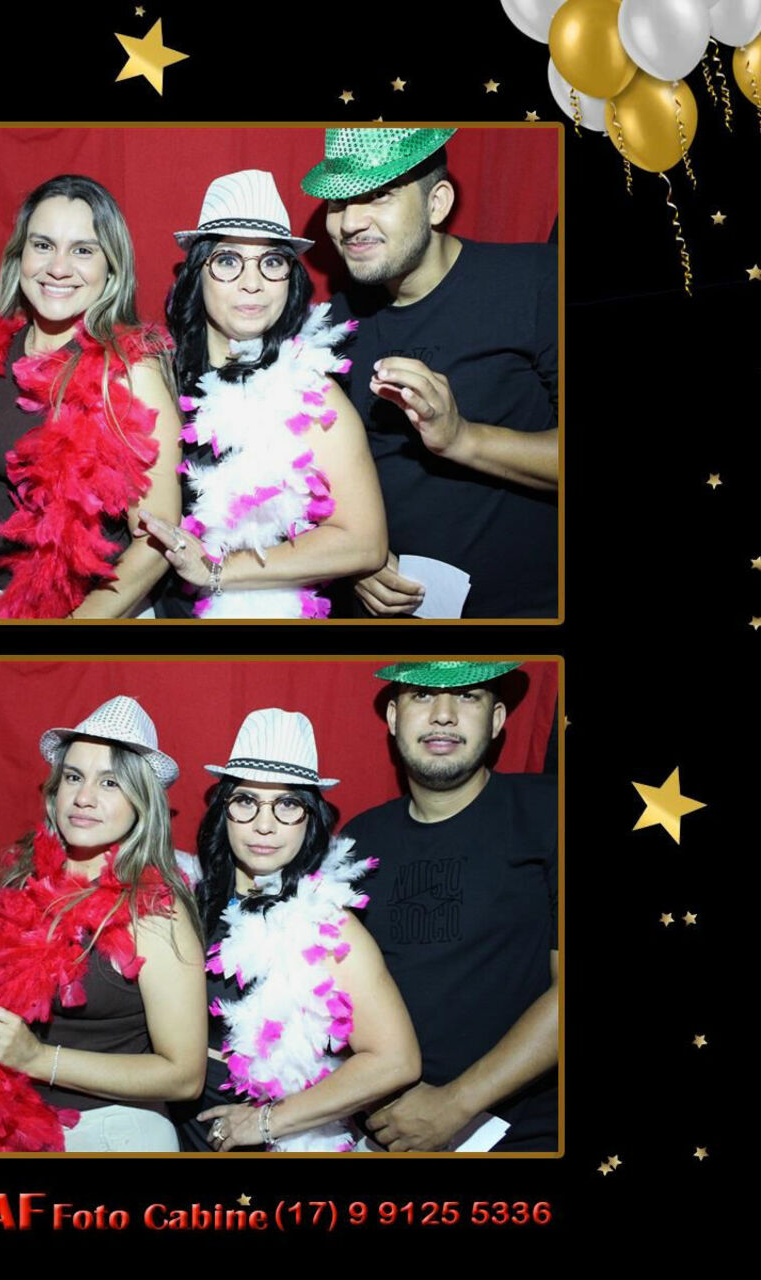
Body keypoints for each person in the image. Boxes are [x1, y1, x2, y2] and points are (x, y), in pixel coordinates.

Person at [0, 696, 206, 1151]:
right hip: (7, 1122)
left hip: (110, 1131)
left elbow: (184, 1076)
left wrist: (38, 1058)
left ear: (141, 802)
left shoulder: (155, 911)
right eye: (74, 777)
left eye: (110, 782)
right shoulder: (25, 875)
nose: (83, 797)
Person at [0, 173, 183, 619]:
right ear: (19, 255)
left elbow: (158, 539)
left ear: (112, 266)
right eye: (43, 245)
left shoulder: (130, 371)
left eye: (83, 250)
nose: (58, 267)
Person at [302, 129, 558, 618]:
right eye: (339, 202)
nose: (350, 222)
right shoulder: (327, 327)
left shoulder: (539, 281)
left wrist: (462, 438)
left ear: (436, 203)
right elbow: (307, 478)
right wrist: (353, 556)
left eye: (379, 194)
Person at [142, 170, 387, 618]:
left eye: (272, 262)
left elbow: (364, 542)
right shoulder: (157, 375)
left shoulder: (311, 393)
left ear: (290, 279)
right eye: (228, 260)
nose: (252, 282)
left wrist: (216, 571)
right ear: (197, 275)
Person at [173, 709, 419, 1151]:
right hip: (172, 1119)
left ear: (311, 819)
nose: (264, 824)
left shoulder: (329, 927)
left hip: (252, 1137)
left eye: (287, 805)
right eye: (246, 801)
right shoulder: (189, 897)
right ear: (224, 811)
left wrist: (267, 1122)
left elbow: (396, 1060)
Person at [344, 662, 558, 1151]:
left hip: (525, 1133)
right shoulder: (358, 840)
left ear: (497, 719)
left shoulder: (550, 811)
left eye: (468, 696)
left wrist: (455, 1104)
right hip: (382, 1130)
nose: (443, 714)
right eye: (422, 695)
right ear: (394, 718)